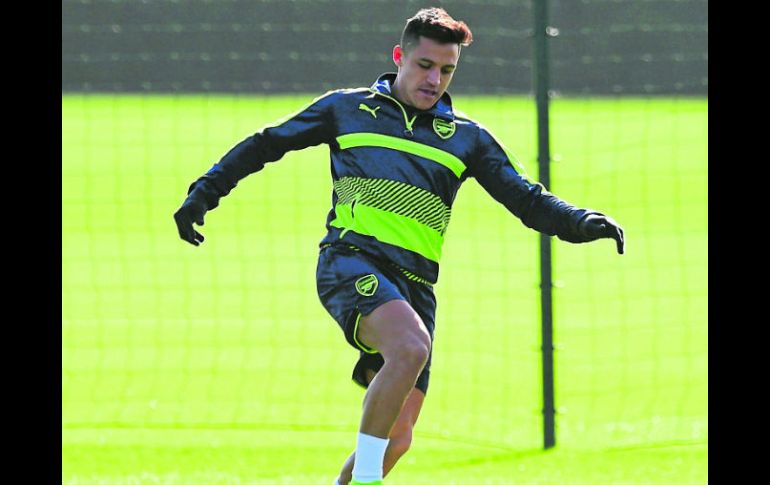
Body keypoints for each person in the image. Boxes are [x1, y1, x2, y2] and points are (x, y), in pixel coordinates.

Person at [173, 7, 624, 485]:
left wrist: (582, 222)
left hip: (415, 288)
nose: (435, 80)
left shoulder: (467, 138)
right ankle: (368, 478)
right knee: (410, 348)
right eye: (425, 66)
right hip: (350, 262)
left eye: (447, 70)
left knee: (399, 437)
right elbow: (266, 144)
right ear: (399, 57)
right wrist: (204, 192)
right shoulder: (346, 109)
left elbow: (527, 199)